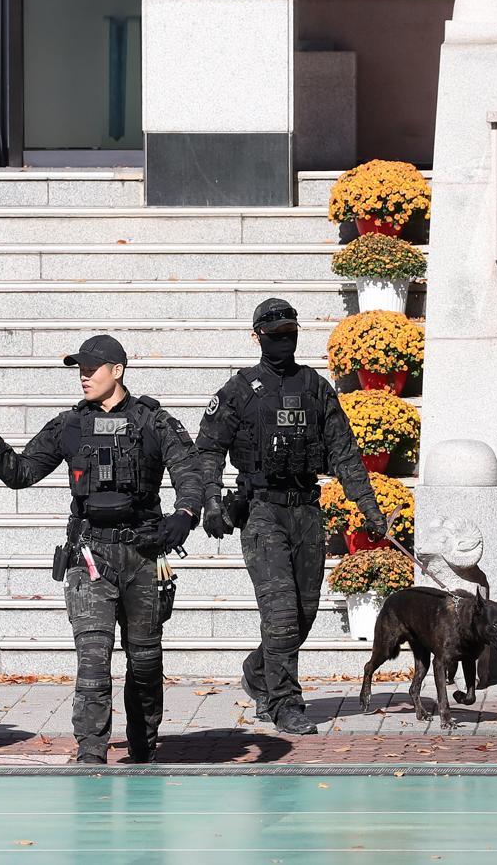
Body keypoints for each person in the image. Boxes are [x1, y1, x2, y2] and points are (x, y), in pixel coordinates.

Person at [0, 335, 203, 764]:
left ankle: (144, 744)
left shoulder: (153, 421)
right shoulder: (69, 425)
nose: (84, 376)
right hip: (90, 557)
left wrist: (183, 517)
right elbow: (22, 473)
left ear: (118, 370)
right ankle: (90, 752)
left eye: (93, 368)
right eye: (80, 368)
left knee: (145, 663)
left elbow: (189, 473)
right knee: (93, 662)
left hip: (144, 557)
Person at [195, 298, 390, 736]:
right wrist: (210, 500)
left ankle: (259, 670)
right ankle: (285, 702)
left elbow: (345, 454)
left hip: (306, 510)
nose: (284, 341)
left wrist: (370, 510)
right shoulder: (240, 390)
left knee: (303, 614)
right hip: (262, 511)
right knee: (281, 615)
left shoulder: (316, 389)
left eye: (290, 333)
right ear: (258, 337)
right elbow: (207, 449)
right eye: (276, 335)